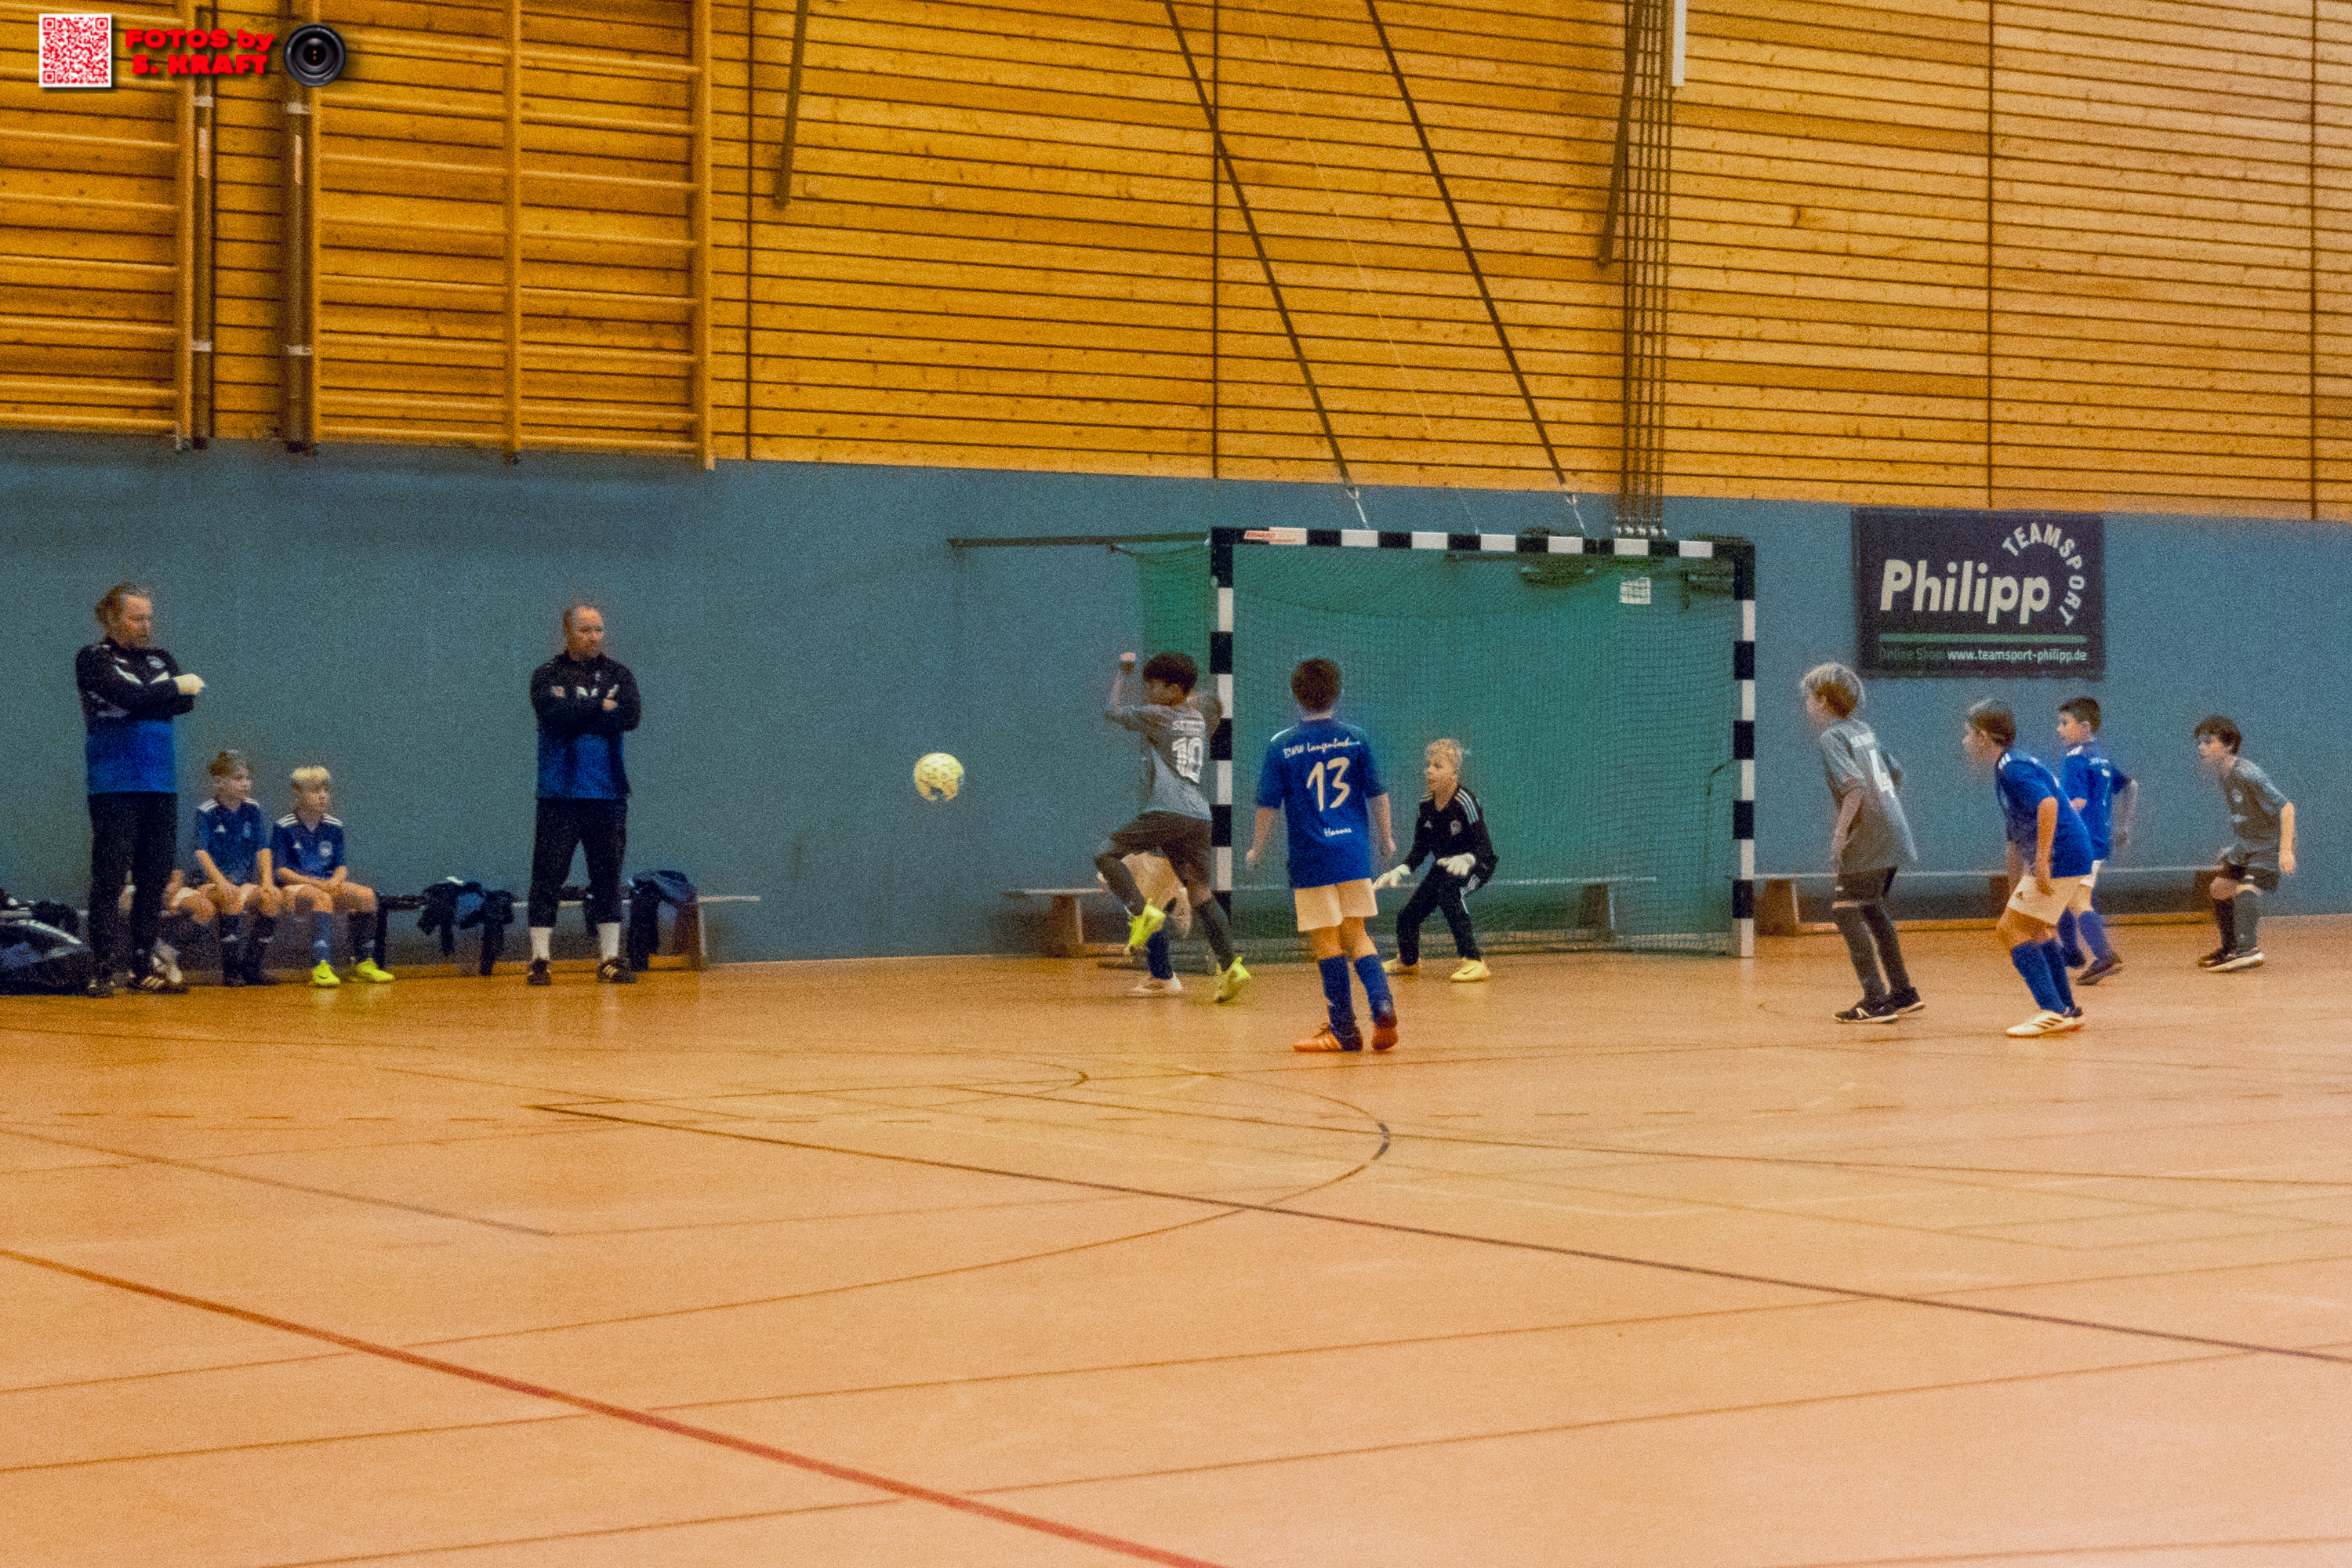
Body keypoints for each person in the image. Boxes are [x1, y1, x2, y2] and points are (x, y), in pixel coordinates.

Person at [1246, 657, 1399, 1053]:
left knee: (1326, 940)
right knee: (1357, 933)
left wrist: (1257, 848)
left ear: (1296, 695)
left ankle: (1343, 1030)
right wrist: (1386, 840)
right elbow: (1378, 794)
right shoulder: (1356, 738)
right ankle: (1382, 1005)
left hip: (1312, 857)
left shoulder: (1282, 745)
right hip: (1353, 854)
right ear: (1338, 692)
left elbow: (1267, 804)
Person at [1094, 651, 1247, 1002]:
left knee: (1105, 855)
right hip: (1198, 817)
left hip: (1166, 811)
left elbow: (1112, 711)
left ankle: (1142, 918)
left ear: (1175, 689)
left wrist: (1123, 673)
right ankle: (1231, 967)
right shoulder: (1198, 719)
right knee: (1201, 894)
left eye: (1154, 685)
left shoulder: (1159, 715)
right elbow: (1202, 705)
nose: (1149, 691)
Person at [78, 583, 204, 996]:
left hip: (160, 785)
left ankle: (140, 965)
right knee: (110, 877)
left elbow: (184, 704)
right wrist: (173, 687)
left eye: (149, 617)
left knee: (153, 879)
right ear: (113, 619)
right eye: (136, 618)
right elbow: (128, 696)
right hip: (114, 785)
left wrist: (149, 697)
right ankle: (101, 967)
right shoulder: (93, 659)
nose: (146, 625)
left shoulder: (160, 658)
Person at [1962, 700, 2092, 1038]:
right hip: (2070, 852)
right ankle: (2067, 1009)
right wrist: (2015, 890)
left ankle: (2051, 1010)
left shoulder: (2012, 769)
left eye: (1968, 734)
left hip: (2062, 854)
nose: (1964, 741)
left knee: (2010, 929)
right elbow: (2014, 837)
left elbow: (2047, 804)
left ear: (1984, 736)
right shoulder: (2010, 765)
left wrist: (2044, 860)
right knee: (2036, 929)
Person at [527, 604, 642, 986]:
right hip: (559, 795)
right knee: (548, 877)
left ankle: (609, 958)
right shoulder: (546, 675)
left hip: (608, 795)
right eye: (586, 630)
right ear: (568, 633)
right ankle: (540, 960)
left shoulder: (619, 675)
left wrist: (579, 710)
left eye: (599, 629)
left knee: (608, 878)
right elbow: (554, 715)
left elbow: (630, 717)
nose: (594, 637)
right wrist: (599, 705)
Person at [1802, 663, 1922, 1024]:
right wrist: (1884, 810)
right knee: (1871, 907)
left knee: (1844, 909)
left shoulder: (1832, 738)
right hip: (1894, 831)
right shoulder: (1864, 730)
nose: (1806, 704)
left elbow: (1854, 786)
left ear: (1823, 701)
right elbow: (1896, 773)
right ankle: (1903, 992)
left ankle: (1876, 1000)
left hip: (1869, 836)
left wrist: (1839, 836)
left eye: (1808, 697)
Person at [1375, 739, 1498, 982]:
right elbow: (1420, 849)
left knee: (1450, 895)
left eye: (1438, 766)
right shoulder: (1425, 805)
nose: (1429, 771)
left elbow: (1485, 848)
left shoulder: (1465, 802)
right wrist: (1400, 870)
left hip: (1478, 865)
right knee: (1408, 915)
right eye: (1428, 765)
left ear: (1454, 773)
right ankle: (1408, 961)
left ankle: (1474, 962)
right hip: (1444, 867)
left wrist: (1467, 859)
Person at [273, 766, 394, 988]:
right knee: (322, 898)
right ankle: (321, 965)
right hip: (296, 884)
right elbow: (281, 871)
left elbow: (341, 867)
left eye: (325, 790)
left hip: (327, 881)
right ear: (298, 794)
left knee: (366, 895)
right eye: (314, 791)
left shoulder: (334, 826)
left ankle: (364, 963)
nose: (322, 796)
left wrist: (335, 881)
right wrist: (313, 883)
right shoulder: (284, 826)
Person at [2193, 716, 2294, 972]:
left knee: (2247, 889)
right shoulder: (2225, 775)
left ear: (2228, 745)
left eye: (2208, 742)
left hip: (2268, 846)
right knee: (2219, 888)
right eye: (2200, 742)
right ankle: (2231, 949)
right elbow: (2247, 815)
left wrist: (2285, 851)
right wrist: (2234, 848)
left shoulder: (2247, 773)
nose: (2201, 747)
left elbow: (2287, 808)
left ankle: (2249, 950)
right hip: (2247, 846)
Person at [186, 750, 283, 986]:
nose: (246, 784)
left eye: (248, 778)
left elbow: (263, 848)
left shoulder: (252, 809)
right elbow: (201, 852)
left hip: (243, 883)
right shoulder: (207, 811)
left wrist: (267, 882)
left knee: (272, 898)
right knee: (230, 897)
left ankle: (251, 967)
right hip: (209, 884)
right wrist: (221, 882)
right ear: (221, 781)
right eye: (239, 778)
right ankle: (230, 971)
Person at [2056, 698, 2135, 985]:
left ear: (2085, 727)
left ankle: (2103, 957)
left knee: (2077, 900)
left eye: (2065, 723)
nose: (2059, 729)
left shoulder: (2075, 758)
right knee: (2062, 894)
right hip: (2098, 840)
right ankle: (2072, 953)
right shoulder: (2100, 758)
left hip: (2081, 843)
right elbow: (2131, 786)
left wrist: (2049, 822)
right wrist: (2124, 826)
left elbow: (2076, 802)